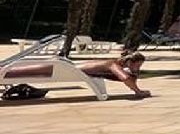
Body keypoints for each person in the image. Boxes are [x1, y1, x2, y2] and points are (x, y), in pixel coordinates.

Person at [4, 52, 151, 98]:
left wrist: (135, 78)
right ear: (131, 62)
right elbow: (125, 78)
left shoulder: (111, 63)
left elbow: (128, 78)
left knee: (12, 72)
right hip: (59, 69)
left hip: (62, 68)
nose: (139, 68)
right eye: (138, 65)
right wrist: (138, 92)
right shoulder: (112, 65)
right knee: (12, 72)